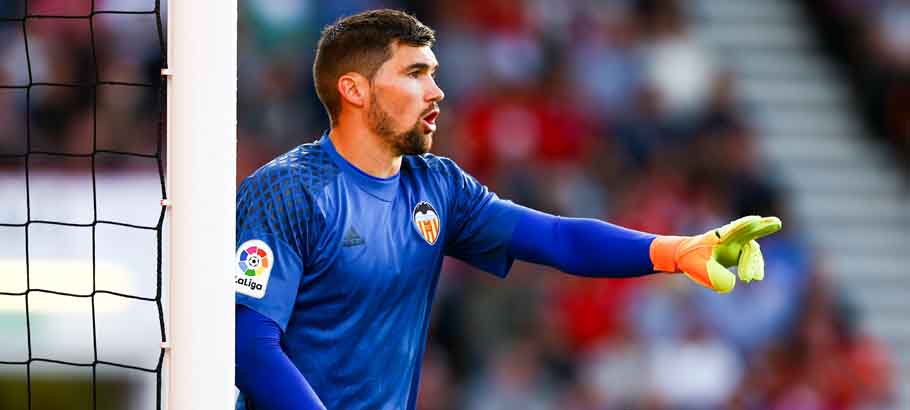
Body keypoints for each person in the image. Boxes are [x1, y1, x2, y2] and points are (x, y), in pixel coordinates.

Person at [234, 9, 781, 410]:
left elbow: (560, 239)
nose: (437, 91)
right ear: (354, 90)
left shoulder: (438, 186)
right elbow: (248, 344)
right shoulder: (285, 192)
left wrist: (674, 251)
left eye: (434, 73)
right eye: (414, 73)